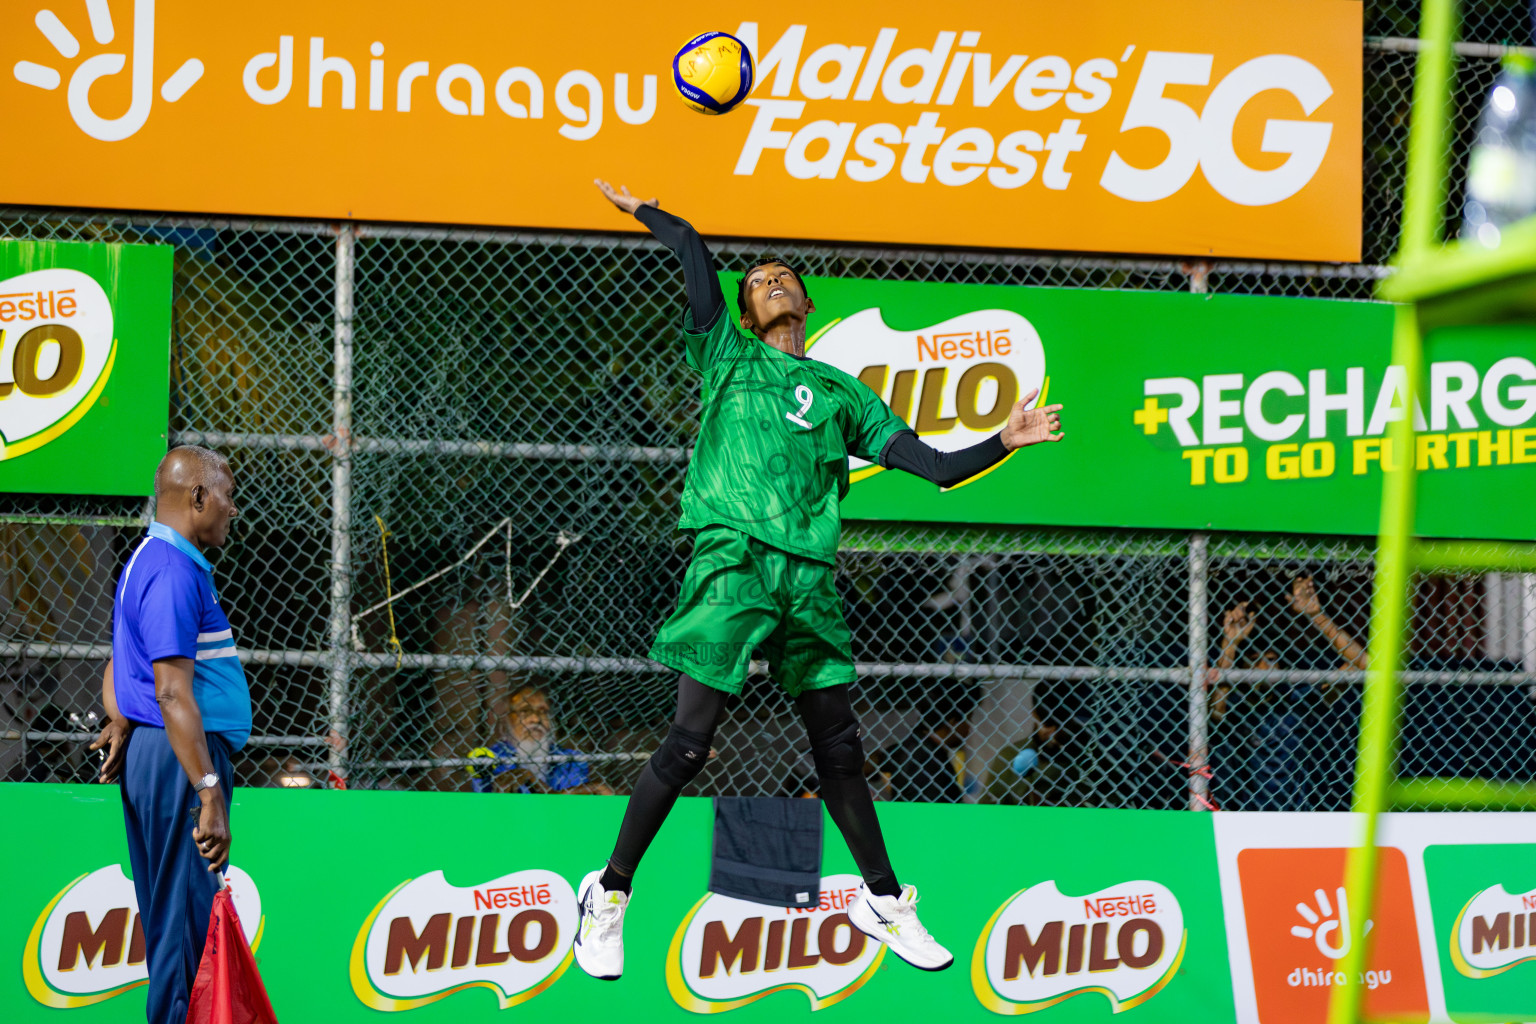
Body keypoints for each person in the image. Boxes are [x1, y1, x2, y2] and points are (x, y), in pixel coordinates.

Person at [572, 179, 1066, 981]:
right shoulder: (725, 355)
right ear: (743, 310)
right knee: (691, 742)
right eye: (754, 280)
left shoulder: (845, 394)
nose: (768, 281)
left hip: (809, 577)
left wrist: (1002, 438)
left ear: (803, 299)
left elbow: (935, 468)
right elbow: (695, 255)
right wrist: (655, 213)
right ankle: (609, 890)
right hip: (733, 559)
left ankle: (882, 898)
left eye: (780, 275)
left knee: (840, 746)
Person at [88, 446, 248, 1024]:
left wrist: (121, 716)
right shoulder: (173, 570)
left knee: (173, 931)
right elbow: (173, 692)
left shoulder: (146, 560)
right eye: (227, 495)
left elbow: (120, 665)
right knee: (186, 939)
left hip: (161, 752)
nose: (234, 508)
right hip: (182, 762)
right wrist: (207, 790)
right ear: (198, 497)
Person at [1210, 576, 1365, 810]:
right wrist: (1230, 643)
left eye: (1271, 660)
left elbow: (1362, 664)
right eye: (1255, 661)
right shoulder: (1235, 707)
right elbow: (1217, 708)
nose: (1264, 668)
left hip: (1298, 818)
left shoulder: (1300, 701)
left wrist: (1316, 615)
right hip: (1243, 819)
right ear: (1242, 670)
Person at [468, 683, 612, 794]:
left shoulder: (571, 759)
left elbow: (570, 805)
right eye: (525, 711)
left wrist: (529, 778)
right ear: (508, 720)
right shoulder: (491, 758)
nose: (535, 719)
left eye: (542, 712)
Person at [877, 683, 981, 803]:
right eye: (968, 719)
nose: (969, 727)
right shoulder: (927, 761)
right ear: (953, 723)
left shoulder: (917, 745)